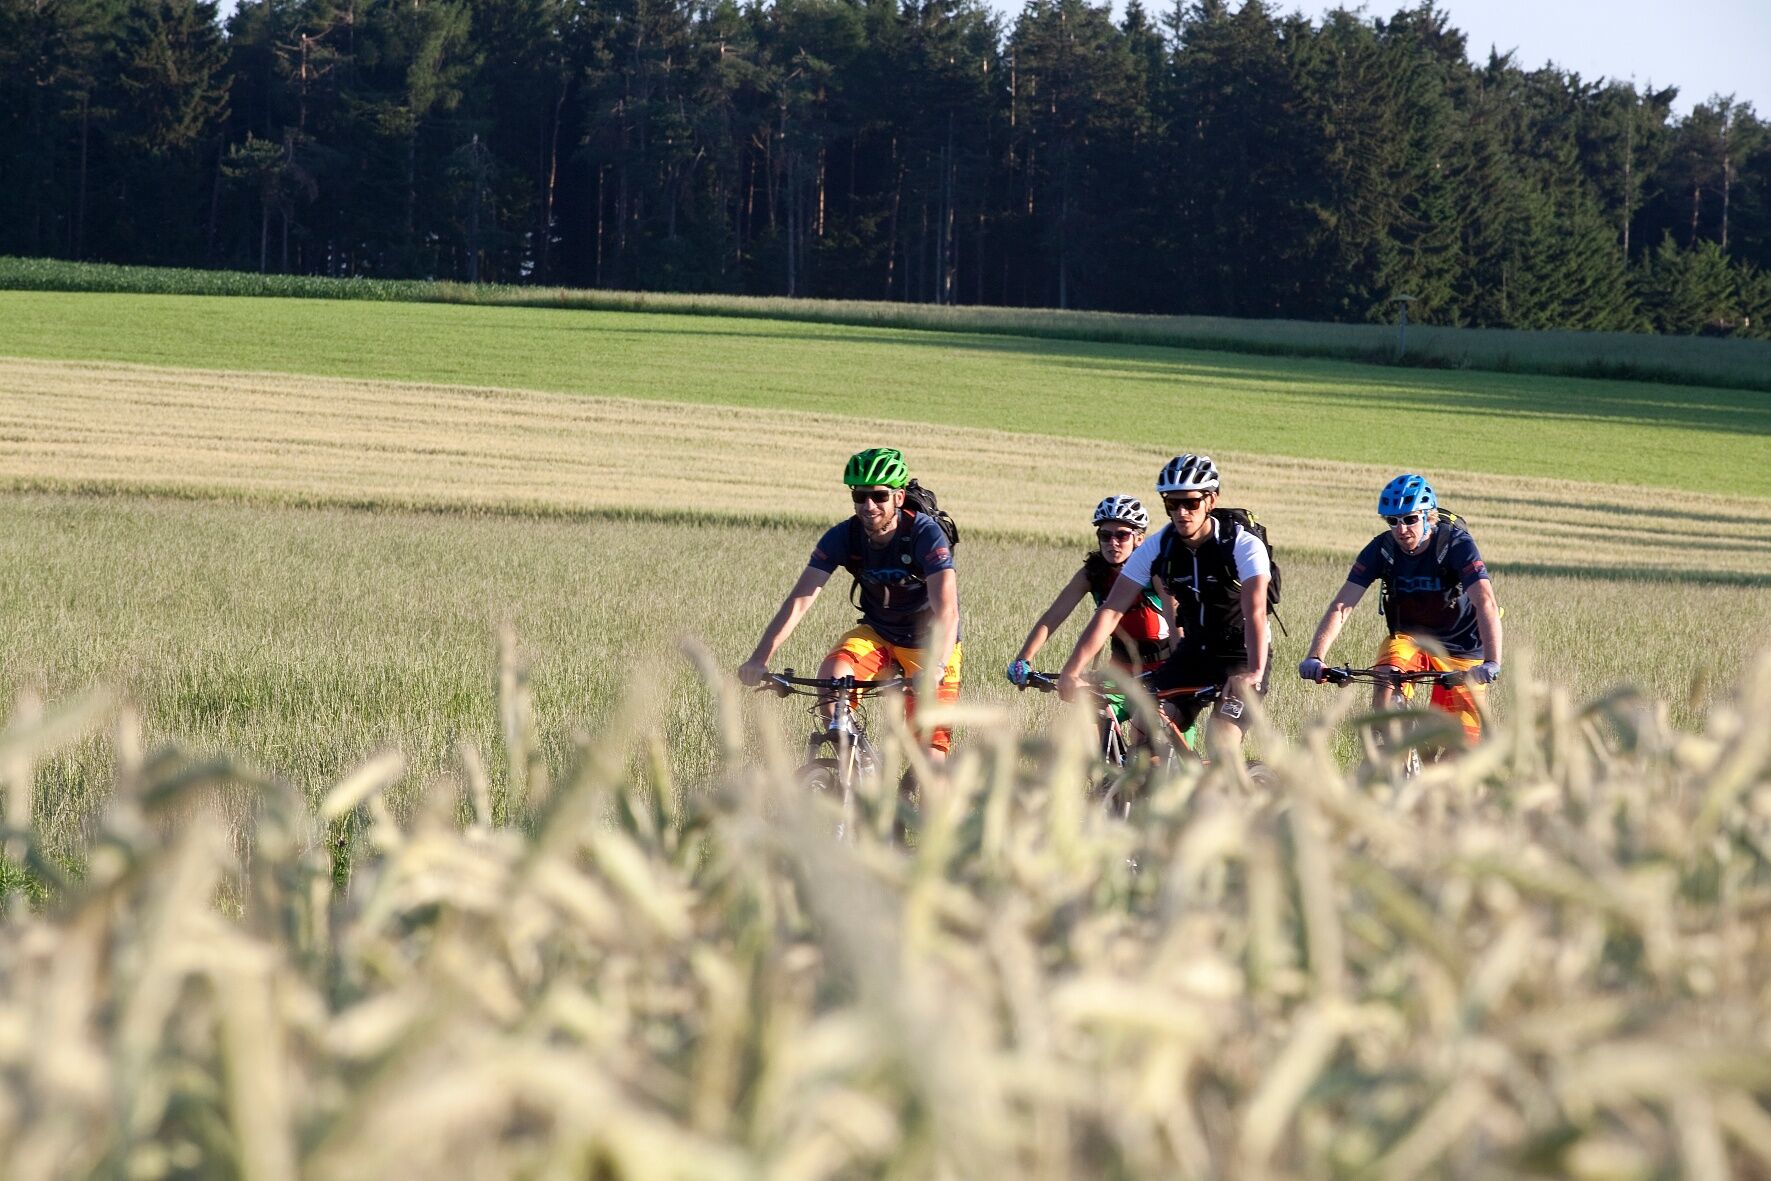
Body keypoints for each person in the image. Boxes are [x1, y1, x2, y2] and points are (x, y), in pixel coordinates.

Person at [738, 447, 962, 756]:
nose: (869, 506)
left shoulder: (926, 534)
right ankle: (858, 767)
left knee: (931, 759)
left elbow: (947, 611)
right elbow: (799, 601)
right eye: (860, 496)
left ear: (898, 497)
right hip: (878, 634)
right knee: (832, 686)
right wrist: (759, 659)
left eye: (879, 496)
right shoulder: (844, 536)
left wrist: (937, 667)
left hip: (932, 642)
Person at [1057, 455, 1272, 758]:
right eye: (1172, 503)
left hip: (1242, 654)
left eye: (1191, 503)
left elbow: (1255, 611)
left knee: (1221, 741)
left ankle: (1239, 788)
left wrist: (1255, 672)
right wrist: (1071, 670)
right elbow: (1111, 610)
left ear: (1211, 500)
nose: (1181, 512)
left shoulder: (1242, 544)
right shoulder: (1161, 546)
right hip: (1193, 652)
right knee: (1145, 730)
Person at [1296, 473, 1502, 744]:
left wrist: (1491, 661)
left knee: (1460, 748)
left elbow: (1485, 601)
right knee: (1385, 680)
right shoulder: (1382, 549)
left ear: (1429, 516)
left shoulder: (1455, 544)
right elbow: (1341, 606)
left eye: (1410, 519)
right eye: (1392, 521)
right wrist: (1315, 657)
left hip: (1464, 646)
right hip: (1410, 639)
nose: (1401, 529)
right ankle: (1391, 749)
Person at [1007, 495, 1171, 685]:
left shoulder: (1154, 572)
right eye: (1105, 535)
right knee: (1088, 703)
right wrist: (1023, 660)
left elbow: (1177, 620)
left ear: (1139, 539)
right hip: (1119, 673)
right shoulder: (1092, 573)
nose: (1113, 542)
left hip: (1163, 670)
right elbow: (1053, 616)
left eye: (1122, 535)